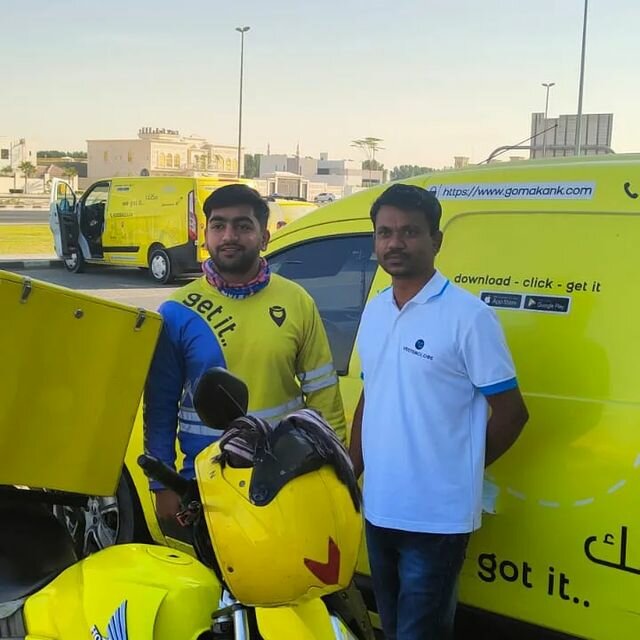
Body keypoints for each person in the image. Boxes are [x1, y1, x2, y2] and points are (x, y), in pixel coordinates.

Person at [349, 184, 528, 640]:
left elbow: (512, 414)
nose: (395, 243)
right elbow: (373, 394)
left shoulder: (468, 317)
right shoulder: (375, 311)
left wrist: (456, 471)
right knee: (392, 628)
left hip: (435, 519)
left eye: (410, 232)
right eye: (385, 232)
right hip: (380, 508)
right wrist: (351, 471)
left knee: (420, 633)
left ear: (436, 240)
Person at [144, 183, 346, 526]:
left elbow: (323, 393)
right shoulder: (177, 310)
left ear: (264, 238)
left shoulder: (297, 301)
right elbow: (160, 405)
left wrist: (335, 465)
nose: (229, 236)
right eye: (218, 225)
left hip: (286, 476)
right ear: (205, 236)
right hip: (207, 481)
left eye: (243, 225)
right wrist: (161, 483)